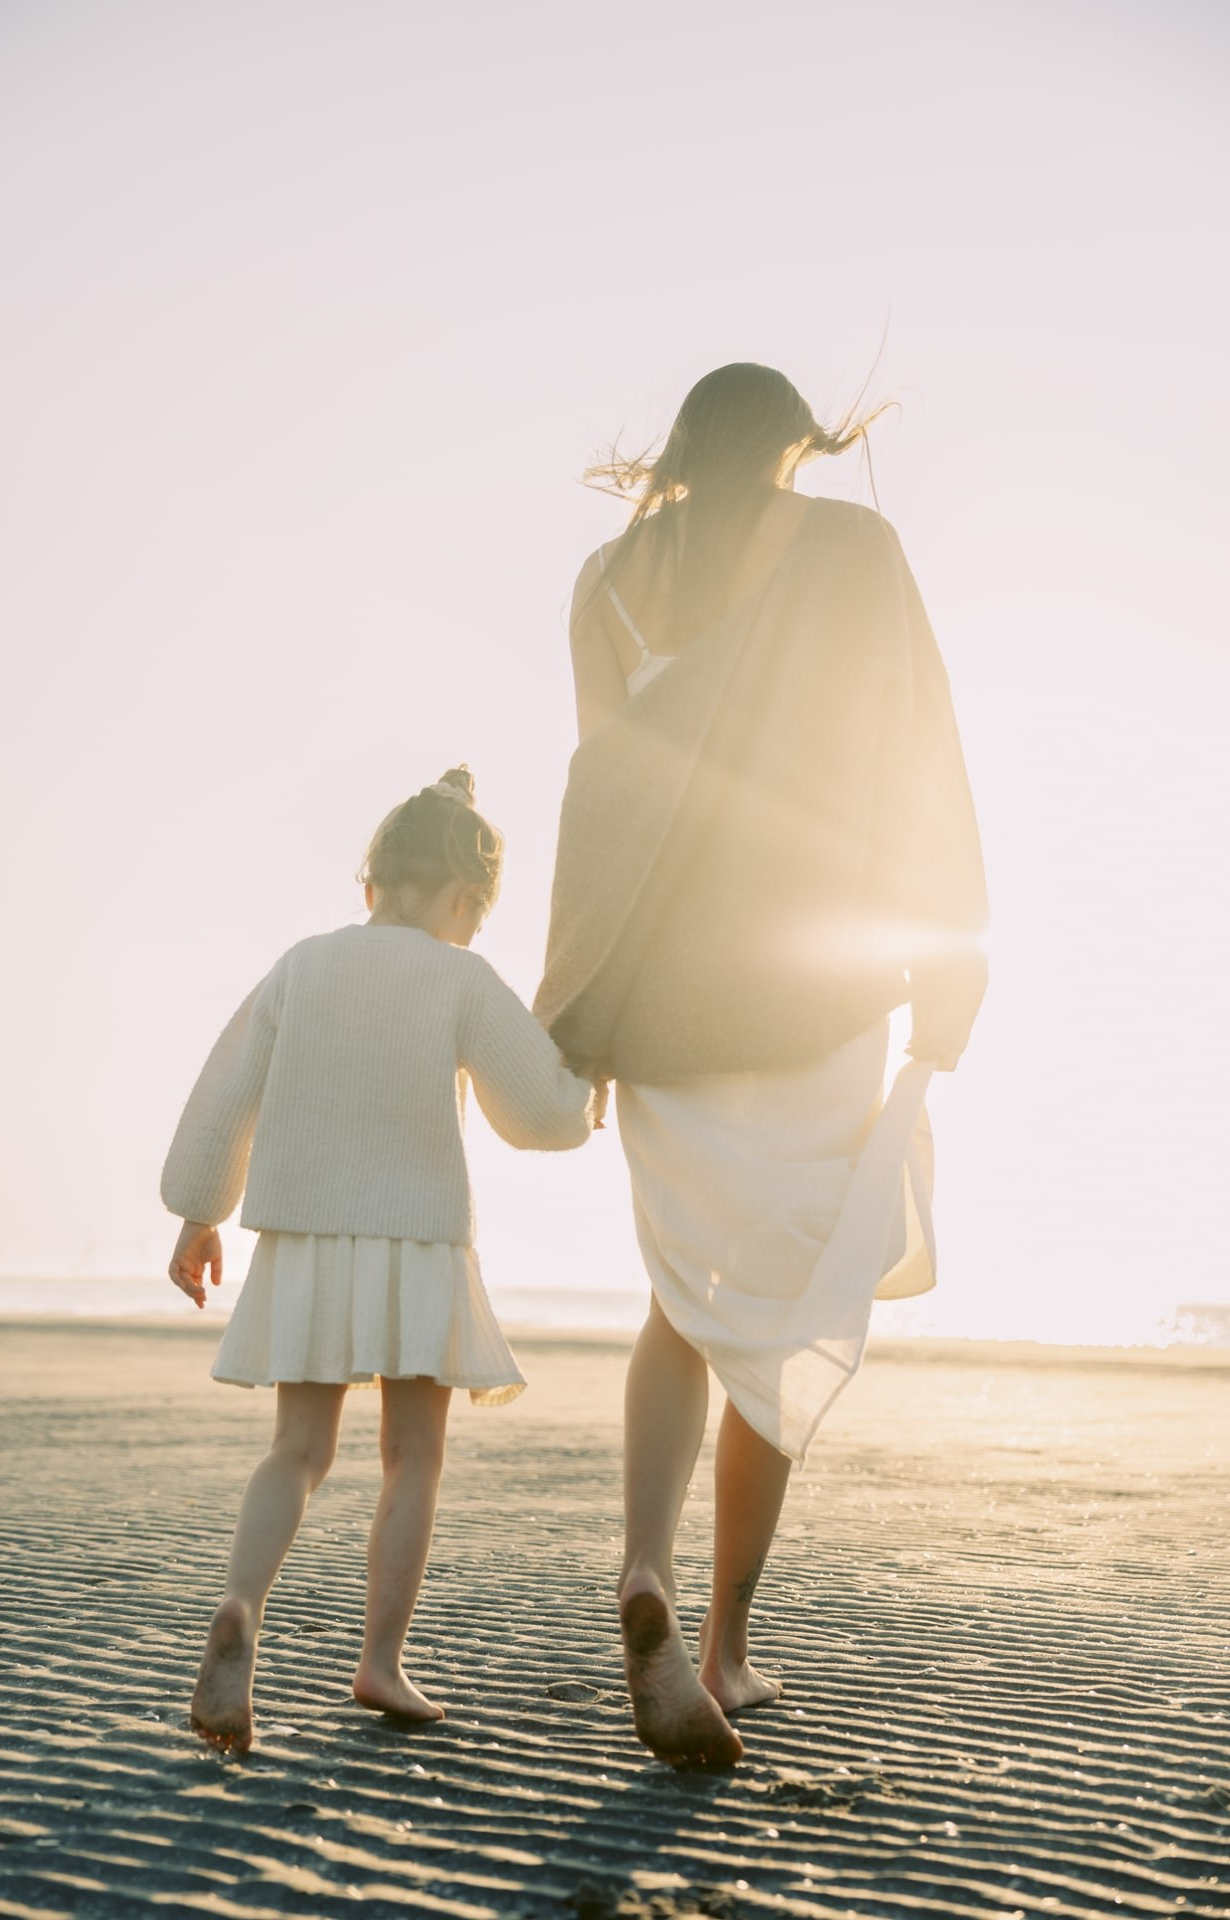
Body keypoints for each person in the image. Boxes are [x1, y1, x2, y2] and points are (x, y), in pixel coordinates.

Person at [535, 363, 988, 1768]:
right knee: (782, 1309)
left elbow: (603, 793)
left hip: (662, 994)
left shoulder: (610, 579)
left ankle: (643, 1568)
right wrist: (950, 967)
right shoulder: (855, 550)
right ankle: (725, 1645)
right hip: (815, 985)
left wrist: (584, 1012)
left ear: (680, 447)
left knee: (681, 1297)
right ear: (798, 442)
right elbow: (922, 753)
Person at [162, 767, 602, 1752]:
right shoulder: (459, 978)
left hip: (306, 1240)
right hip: (417, 1244)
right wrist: (585, 1098)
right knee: (413, 1456)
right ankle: (380, 1661)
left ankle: (239, 1607)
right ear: (460, 901)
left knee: (298, 1452)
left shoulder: (302, 966)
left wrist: (198, 1213)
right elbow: (532, 1114)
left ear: (370, 887)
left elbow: (226, 1092)